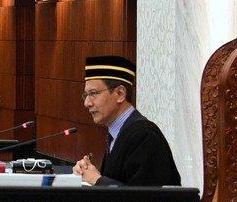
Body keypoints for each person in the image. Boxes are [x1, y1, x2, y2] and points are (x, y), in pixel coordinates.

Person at [73, 55, 180, 187]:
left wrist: (97, 180)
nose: (87, 103)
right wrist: (88, 172)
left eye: (94, 93)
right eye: (86, 95)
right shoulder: (117, 134)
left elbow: (145, 200)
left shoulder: (143, 136)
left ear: (120, 94)